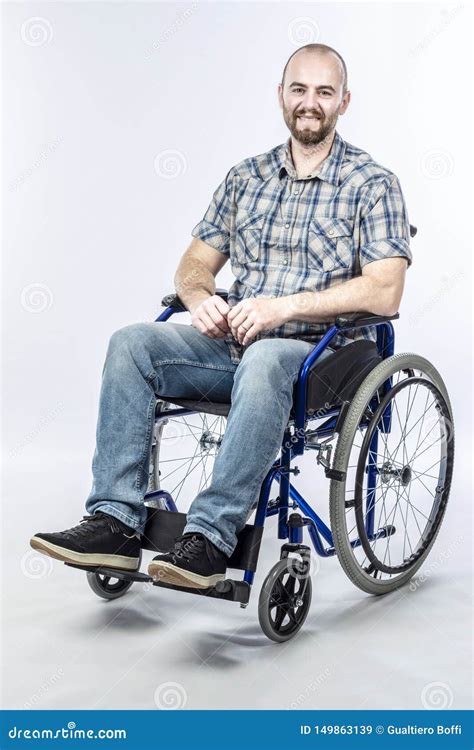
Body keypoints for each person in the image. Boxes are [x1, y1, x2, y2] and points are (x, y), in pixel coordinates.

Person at [30, 43, 413, 590]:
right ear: (281, 96)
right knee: (132, 342)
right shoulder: (246, 177)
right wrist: (199, 297)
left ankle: (210, 537)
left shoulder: (373, 184)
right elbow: (193, 264)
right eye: (299, 89)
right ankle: (114, 522)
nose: (310, 102)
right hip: (236, 344)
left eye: (324, 92)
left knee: (265, 357)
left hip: (319, 355)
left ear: (344, 102)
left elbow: (385, 291)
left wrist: (281, 307)